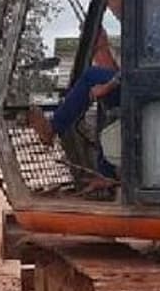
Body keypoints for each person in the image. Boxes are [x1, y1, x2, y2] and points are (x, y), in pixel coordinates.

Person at [28, 33, 122, 198]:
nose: (114, 13)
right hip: (141, 82)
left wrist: (108, 86)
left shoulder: (147, 24)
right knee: (107, 116)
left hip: (146, 81)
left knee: (90, 76)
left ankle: (53, 127)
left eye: (112, 7)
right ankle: (107, 178)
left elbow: (131, 71)